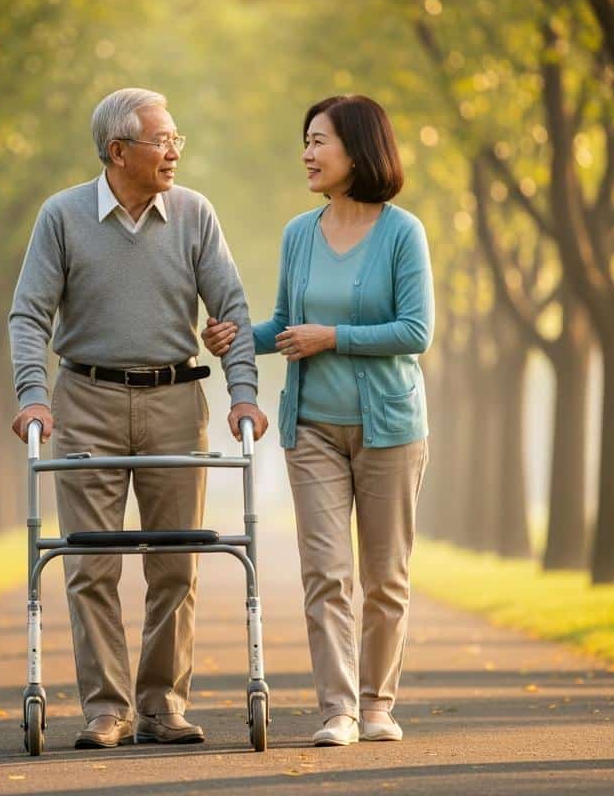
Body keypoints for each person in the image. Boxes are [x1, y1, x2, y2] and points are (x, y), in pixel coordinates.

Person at [9, 87, 268, 750]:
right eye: (162, 139)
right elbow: (29, 314)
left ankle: (161, 705)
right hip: (86, 401)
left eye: (177, 137)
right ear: (118, 151)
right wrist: (32, 394)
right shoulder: (62, 217)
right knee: (90, 564)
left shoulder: (194, 214)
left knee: (176, 562)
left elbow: (232, 310)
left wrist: (242, 394)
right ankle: (106, 709)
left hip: (177, 401)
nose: (175, 150)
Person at [202, 94, 433, 747]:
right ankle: (338, 709)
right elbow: (285, 325)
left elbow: (417, 330)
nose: (306, 153)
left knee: (385, 575)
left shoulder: (401, 232)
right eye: (305, 141)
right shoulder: (298, 234)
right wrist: (239, 338)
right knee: (325, 570)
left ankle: (378, 703)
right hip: (312, 430)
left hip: (390, 427)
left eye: (318, 141)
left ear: (359, 150)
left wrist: (335, 336)